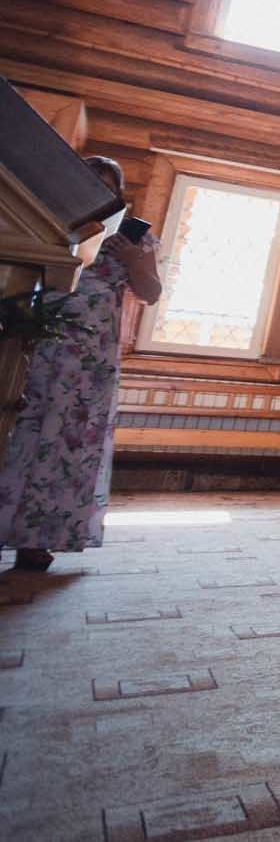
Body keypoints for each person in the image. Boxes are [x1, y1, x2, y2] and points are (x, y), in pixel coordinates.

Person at [0, 157, 161, 572]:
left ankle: (40, 537)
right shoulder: (47, 219)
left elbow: (151, 292)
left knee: (69, 439)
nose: (97, 192)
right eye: (90, 182)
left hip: (90, 356)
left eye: (107, 187)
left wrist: (131, 261)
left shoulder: (133, 236)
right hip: (36, 339)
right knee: (21, 430)